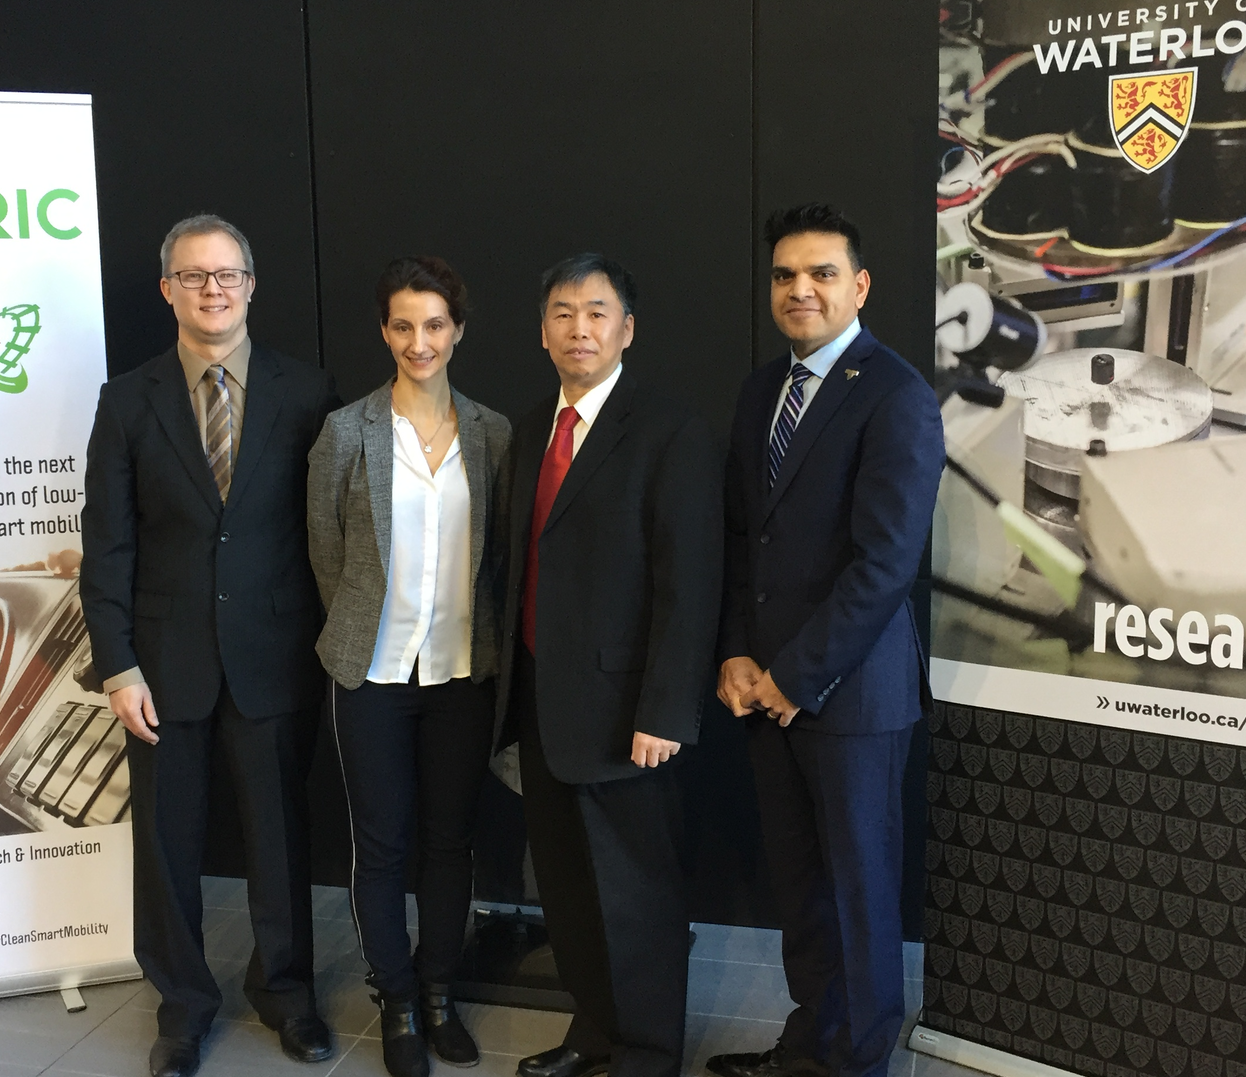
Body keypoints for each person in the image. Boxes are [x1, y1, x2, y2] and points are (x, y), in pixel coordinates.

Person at [81, 214, 342, 1077]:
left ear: (252, 284)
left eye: (227, 274)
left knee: (279, 839)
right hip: (162, 667)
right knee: (167, 846)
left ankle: (287, 992)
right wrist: (117, 664)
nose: (213, 289)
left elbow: (333, 532)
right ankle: (184, 1005)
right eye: (194, 276)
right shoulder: (127, 400)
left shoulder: (307, 392)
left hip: (274, 658)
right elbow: (108, 546)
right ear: (168, 289)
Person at [706, 204, 944, 1077]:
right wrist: (736, 651)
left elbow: (885, 566)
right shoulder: (761, 387)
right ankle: (808, 1047)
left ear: (860, 285)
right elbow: (743, 537)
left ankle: (859, 1064)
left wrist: (795, 677)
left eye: (821, 274)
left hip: (848, 698)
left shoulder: (897, 394)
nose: (800, 289)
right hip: (765, 692)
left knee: (860, 898)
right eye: (784, 276)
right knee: (804, 896)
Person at [494, 254, 722, 1077]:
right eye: (562, 312)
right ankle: (592, 1030)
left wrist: (666, 710)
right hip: (544, 709)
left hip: (629, 714)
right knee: (570, 894)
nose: (578, 328)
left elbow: (689, 582)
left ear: (627, 328)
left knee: (638, 899)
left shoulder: (668, 429)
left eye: (597, 312)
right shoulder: (530, 429)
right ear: (542, 329)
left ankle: (647, 1053)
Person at [306, 257, 512, 1077]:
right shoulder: (347, 431)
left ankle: (437, 991)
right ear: (384, 331)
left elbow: (499, 557)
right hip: (373, 675)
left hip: (464, 670)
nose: (418, 341)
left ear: (457, 330)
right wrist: (364, 625)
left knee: (450, 844)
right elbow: (327, 552)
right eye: (402, 325)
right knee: (382, 845)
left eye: (434, 325)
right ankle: (394, 997)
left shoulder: (495, 433)